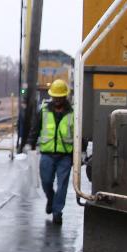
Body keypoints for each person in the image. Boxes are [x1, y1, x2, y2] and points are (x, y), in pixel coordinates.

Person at [33, 79, 75, 223]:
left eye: (60, 97)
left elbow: (79, 133)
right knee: (46, 182)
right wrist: (29, 145)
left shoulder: (73, 113)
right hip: (47, 154)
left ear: (65, 97)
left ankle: (57, 212)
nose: (57, 100)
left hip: (65, 155)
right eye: (55, 97)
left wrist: (80, 153)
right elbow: (35, 129)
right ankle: (51, 199)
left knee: (62, 185)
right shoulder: (44, 110)